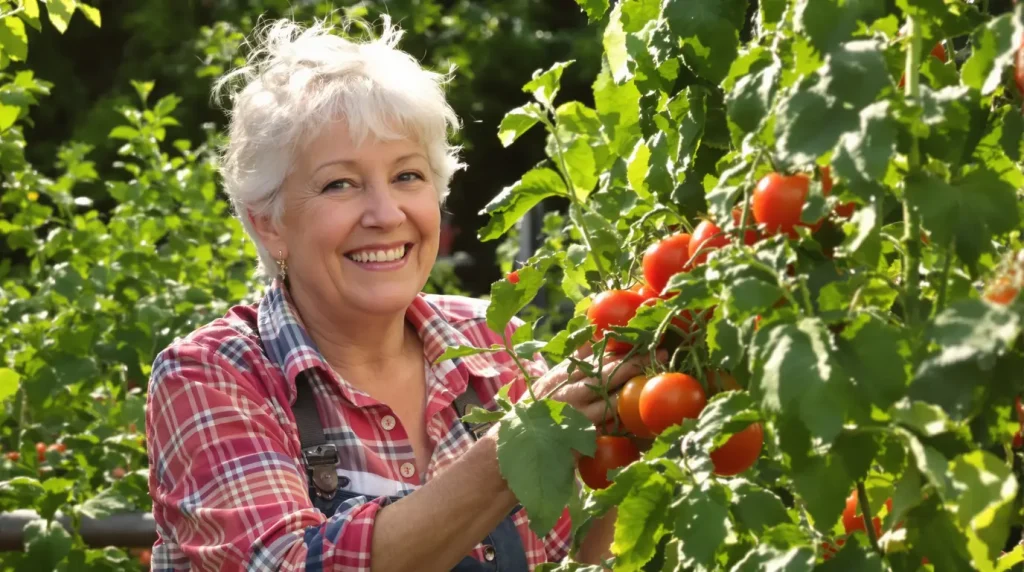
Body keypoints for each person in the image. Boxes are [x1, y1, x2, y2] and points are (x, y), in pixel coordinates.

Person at [145, 15, 661, 571]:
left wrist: (635, 426)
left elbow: (587, 556)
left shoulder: (493, 346)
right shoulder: (213, 375)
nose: (386, 214)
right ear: (268, 222)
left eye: (408, 177)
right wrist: (515, 446)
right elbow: (290, 563)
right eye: (339, 183)